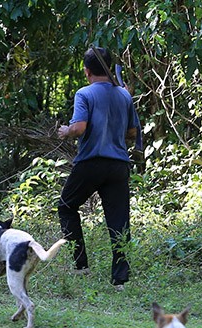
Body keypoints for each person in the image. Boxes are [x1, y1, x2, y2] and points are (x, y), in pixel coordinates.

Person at [57, 47, 141, 289]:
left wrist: (66, 131)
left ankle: (81, 266)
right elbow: (133, 132)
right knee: (119, 221)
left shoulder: (84, 94)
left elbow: (80, 127)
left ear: (87, 71)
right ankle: (120, 279)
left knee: (66, 206)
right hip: (118, 165)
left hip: (91, 162)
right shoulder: (124, 95)